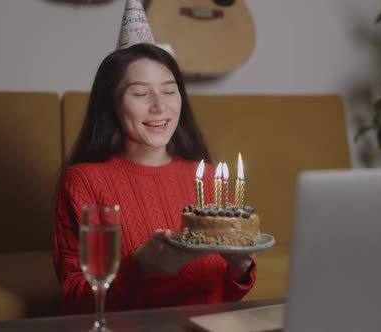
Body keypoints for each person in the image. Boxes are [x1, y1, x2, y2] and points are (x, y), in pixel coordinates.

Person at [53, 43, 256, 314]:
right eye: (140, 93)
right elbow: (75, 301)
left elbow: (222, 295)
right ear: (111, 103)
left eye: (170, 91)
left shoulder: (208, 177)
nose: (160, 106)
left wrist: (240, 269)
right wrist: (139, 266)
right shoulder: (83, 182)